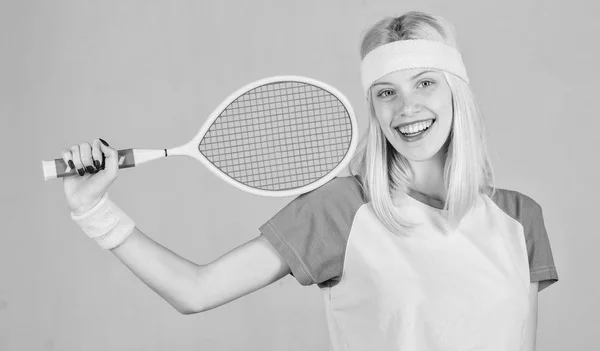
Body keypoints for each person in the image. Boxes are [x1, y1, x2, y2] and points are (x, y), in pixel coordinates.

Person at [60, 11, 558, 350]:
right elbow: (196, 290)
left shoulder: (520, 217)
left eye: (425, 83)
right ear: (374, 108)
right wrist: (93, 211)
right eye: (386, 92)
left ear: (456, 93)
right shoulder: (342, 208)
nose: (407, 109)